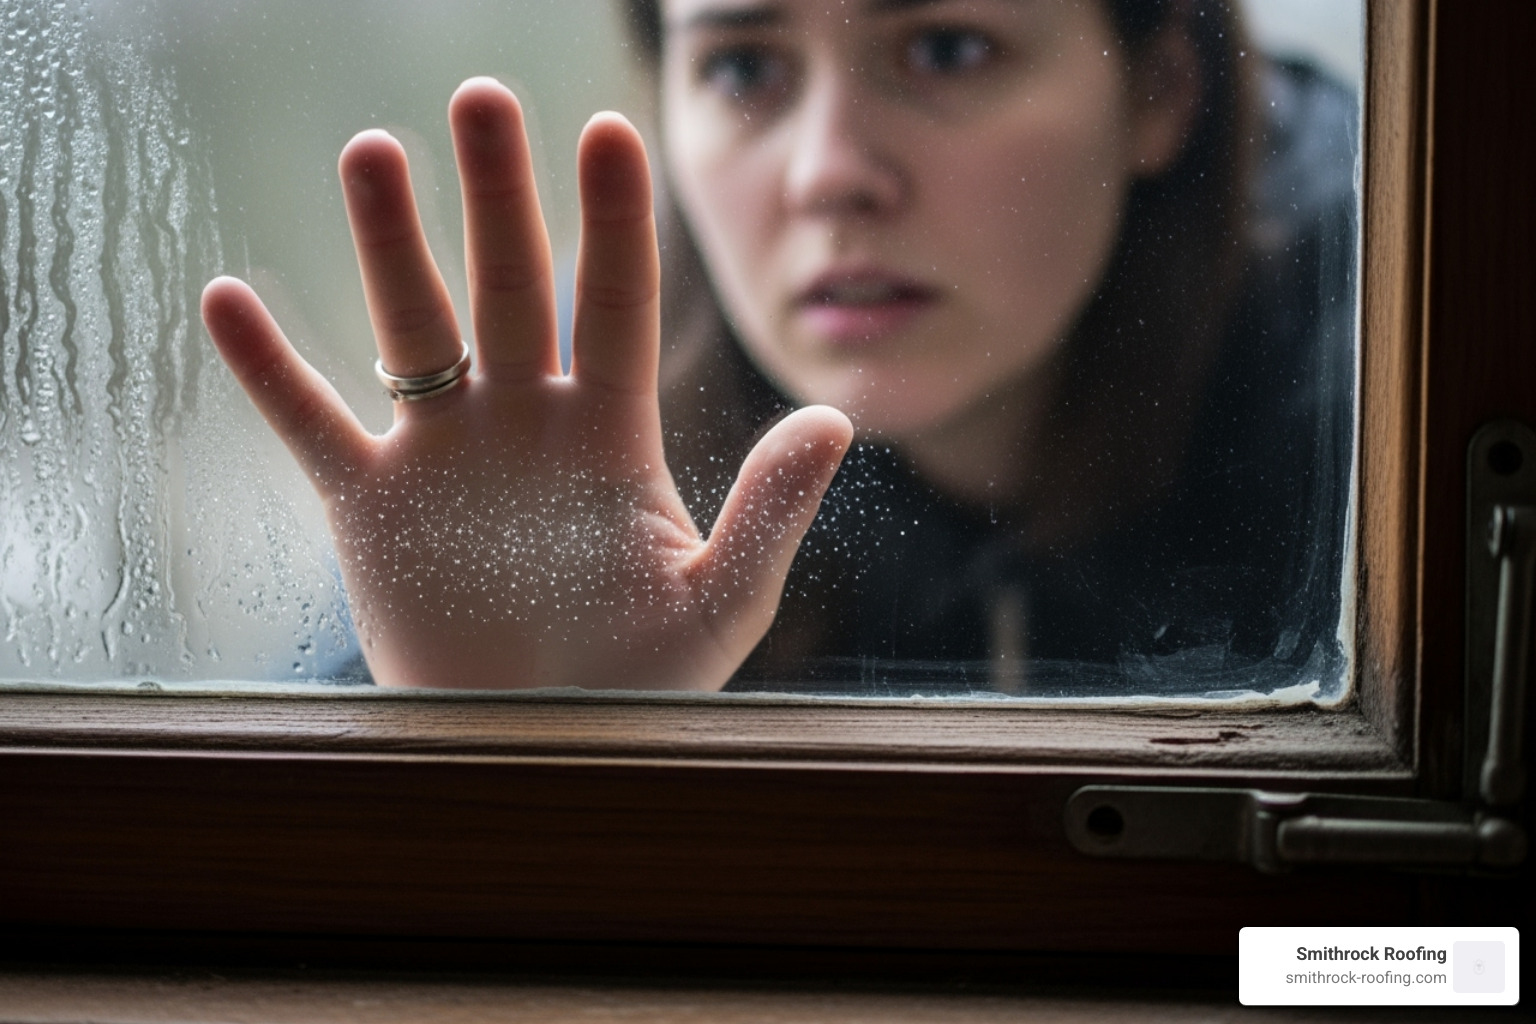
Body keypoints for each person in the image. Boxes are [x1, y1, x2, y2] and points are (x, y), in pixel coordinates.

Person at [201, 0, 1357, 695]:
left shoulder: (1388, 394)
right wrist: (498, 760)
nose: (826, 174)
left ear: (1159, 92)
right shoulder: (571, 412)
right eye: (746, 68)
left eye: (948, 48)